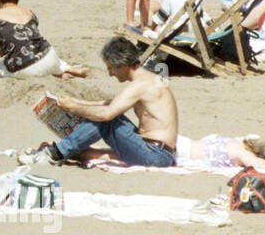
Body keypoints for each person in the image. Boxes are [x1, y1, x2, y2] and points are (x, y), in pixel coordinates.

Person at [23, 36, 178, 168]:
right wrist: (76, 103)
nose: (110, 74)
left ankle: (54, 154)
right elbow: (112, 103)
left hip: (156, 155)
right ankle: (60, 149)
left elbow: (107, 114)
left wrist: (75, 108)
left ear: (123, 65)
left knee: (107, 119)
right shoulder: (147, 79)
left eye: (111, 68)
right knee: (87, 151)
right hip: (161, 152)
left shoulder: (139, 85)